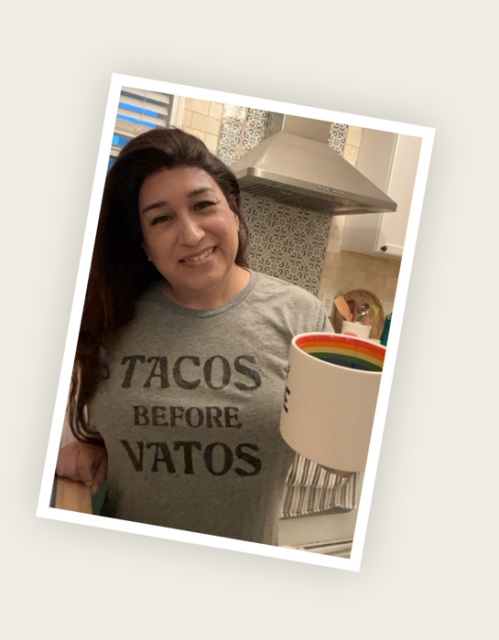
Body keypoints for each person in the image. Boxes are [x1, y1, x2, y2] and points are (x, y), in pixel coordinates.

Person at [57, 127, 333, 545]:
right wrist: (85, 443)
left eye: (203, 205)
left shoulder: (301, 315)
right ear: (144, 243)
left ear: (234, 212)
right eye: (161, 218)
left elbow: (338, 443)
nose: (190, 234)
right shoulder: (109, 316)